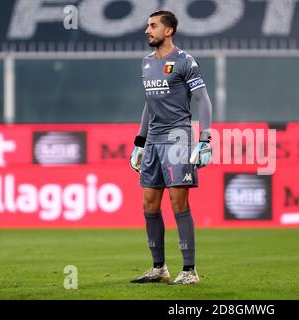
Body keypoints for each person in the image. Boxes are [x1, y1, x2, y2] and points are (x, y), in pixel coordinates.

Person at [129, 10, 212, 285]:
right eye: (147, 25)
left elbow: (203, 100)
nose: (147, 30)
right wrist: (140, 142)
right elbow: (148, 104)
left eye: (153, 25)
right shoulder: (146, 63)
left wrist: (204, 139)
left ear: (168, 31)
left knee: (179, 203)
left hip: (177, 139)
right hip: (153, 141)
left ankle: (189, 271)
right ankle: (158, 268)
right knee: (149, 203)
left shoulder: (184, 61)